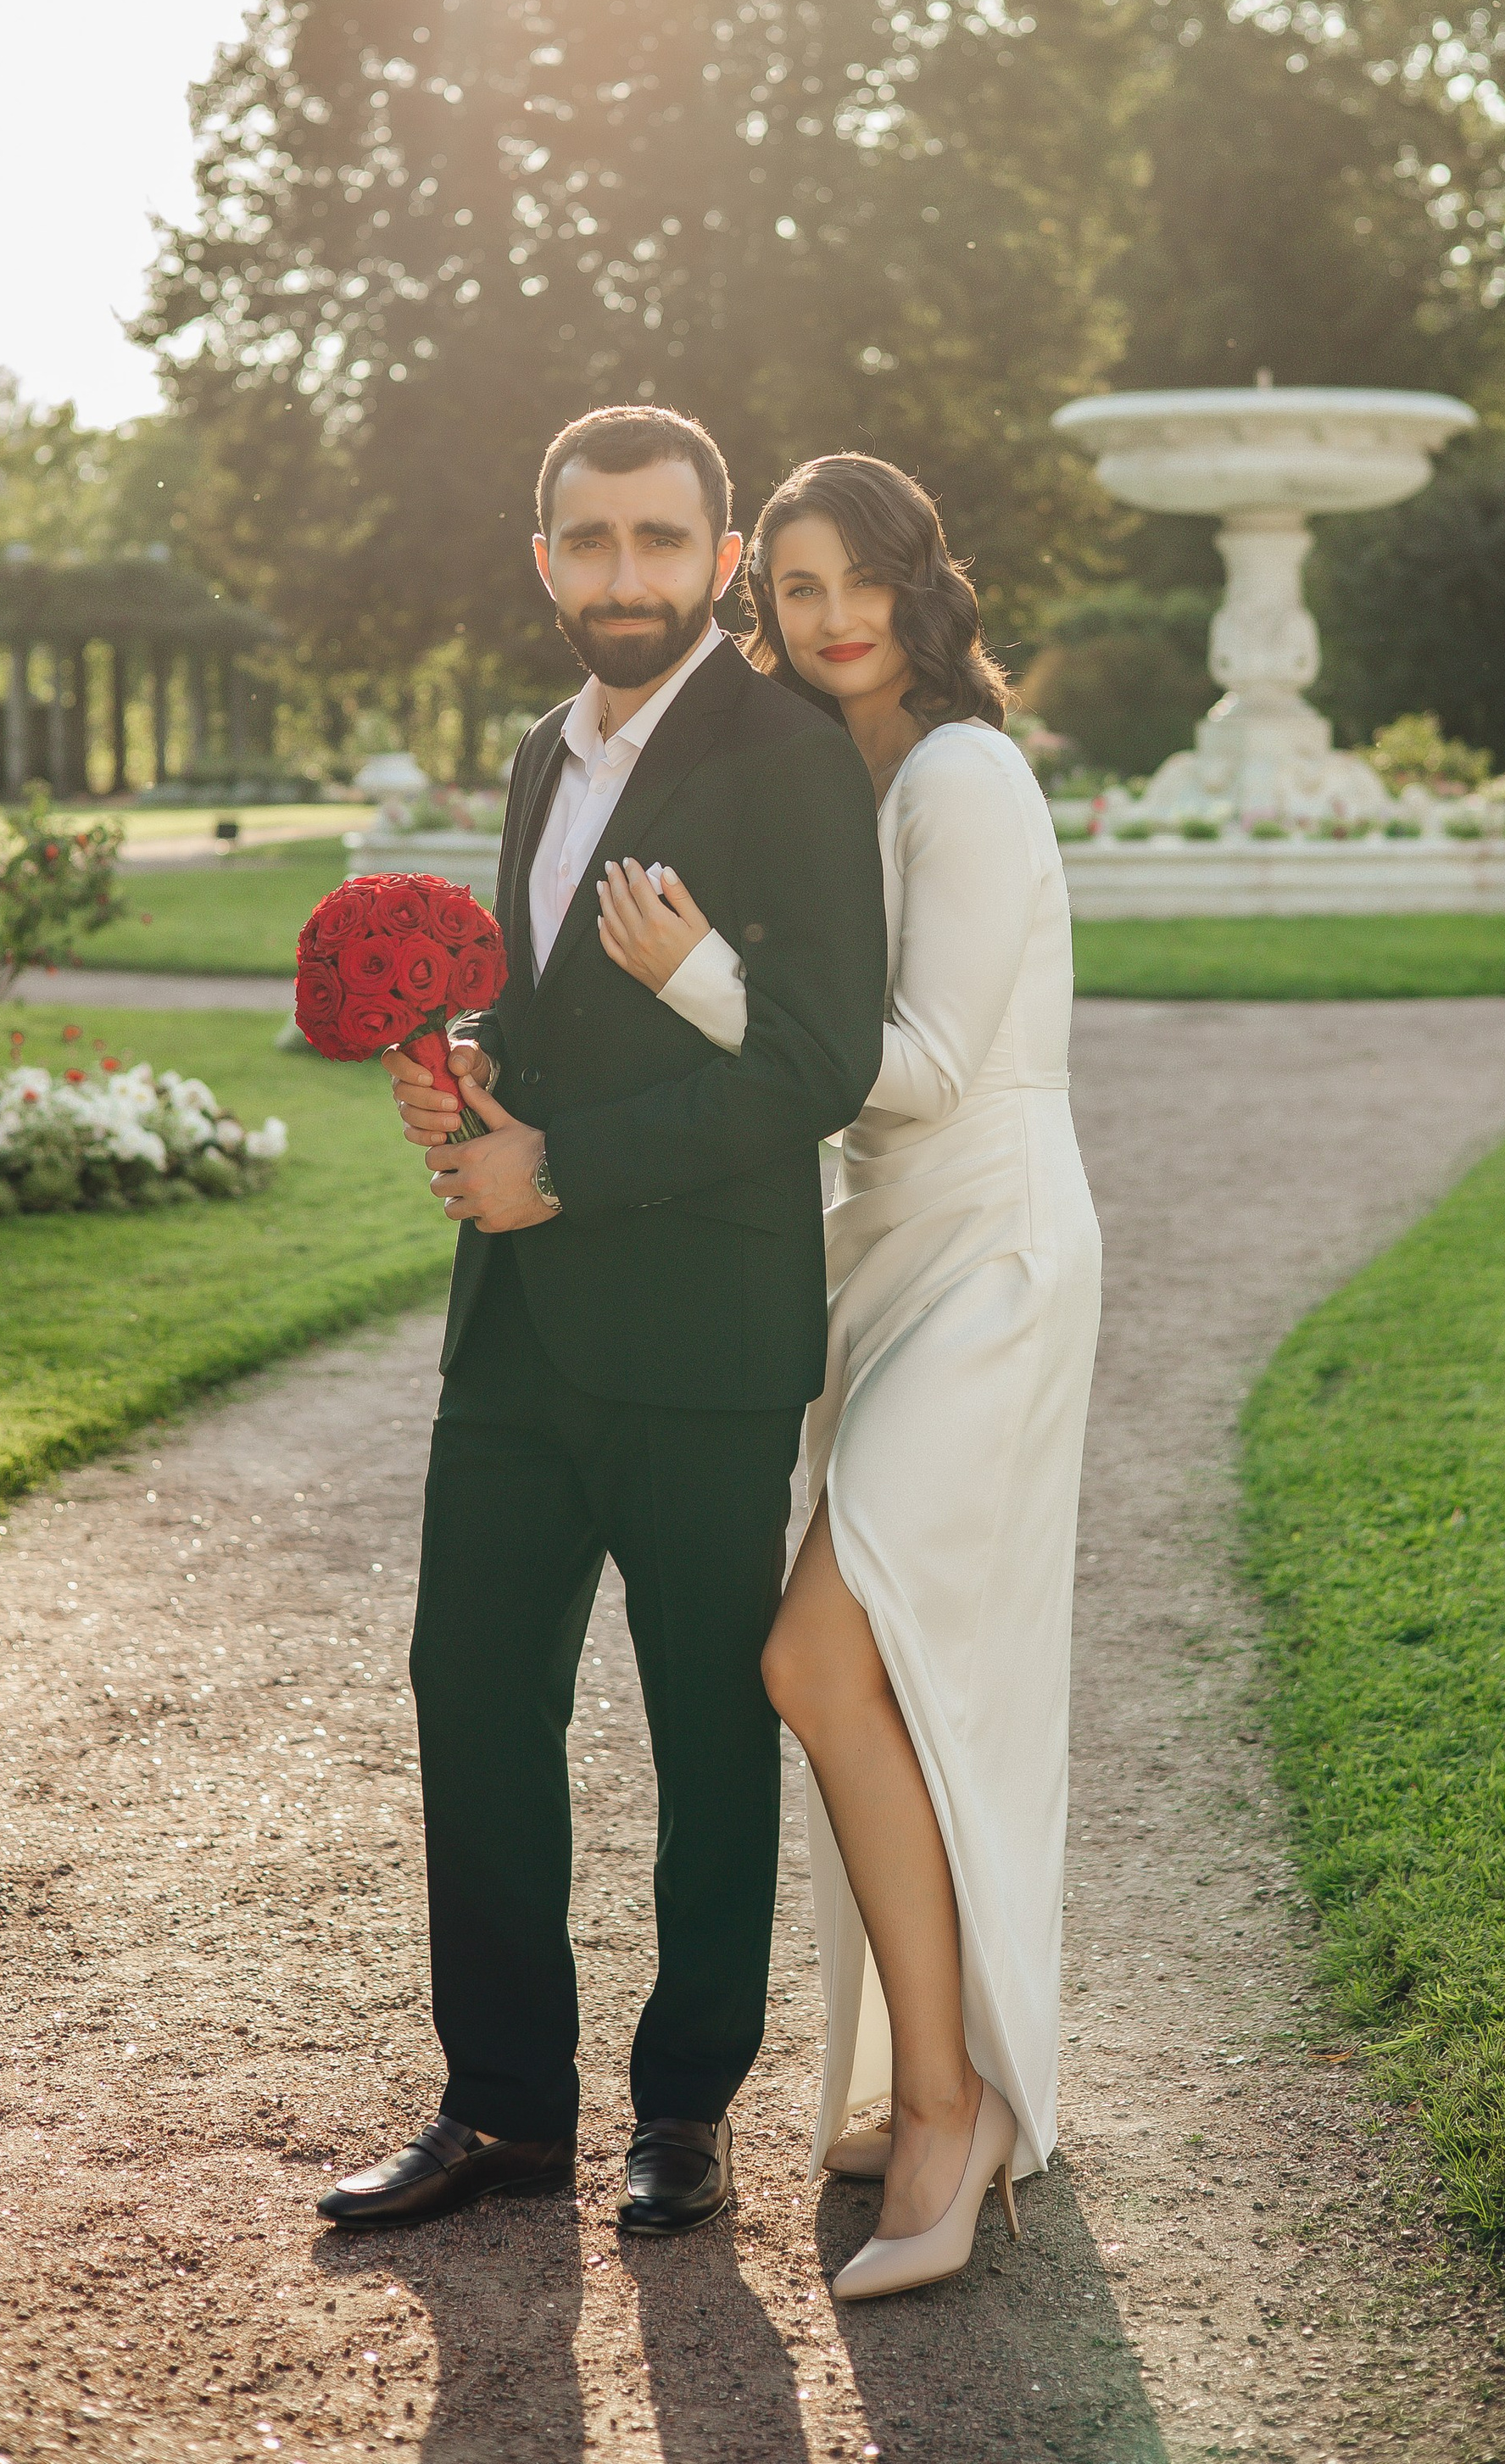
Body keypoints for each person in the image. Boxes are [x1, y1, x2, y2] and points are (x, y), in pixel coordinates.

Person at [318, 406, 886, 2240]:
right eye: (590, 540)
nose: (623, 574)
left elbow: (818, 1059)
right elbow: (564, 1019)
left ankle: (685, 2108)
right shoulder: (531, 755)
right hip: (512, 1336)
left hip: (702, 1337)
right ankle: (500, 2107)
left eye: (658, 541)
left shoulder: (789, 757)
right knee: (470, 1695)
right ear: (543, 557)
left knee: (706, 1726)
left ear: (720, 561)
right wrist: (479, 1071)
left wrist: (558, 1168)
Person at [593, 454, 1101, 2302]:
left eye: (856, 579)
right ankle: (940, 2079)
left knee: (817, 1657)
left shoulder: (961, 775)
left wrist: (706, 980)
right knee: (889, 1672)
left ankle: (951, 2108)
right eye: (793, 589)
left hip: (991, 1255)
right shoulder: (838, 779)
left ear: (915, 583)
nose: (828, 619)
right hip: (881, 1251)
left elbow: (929, 1065)